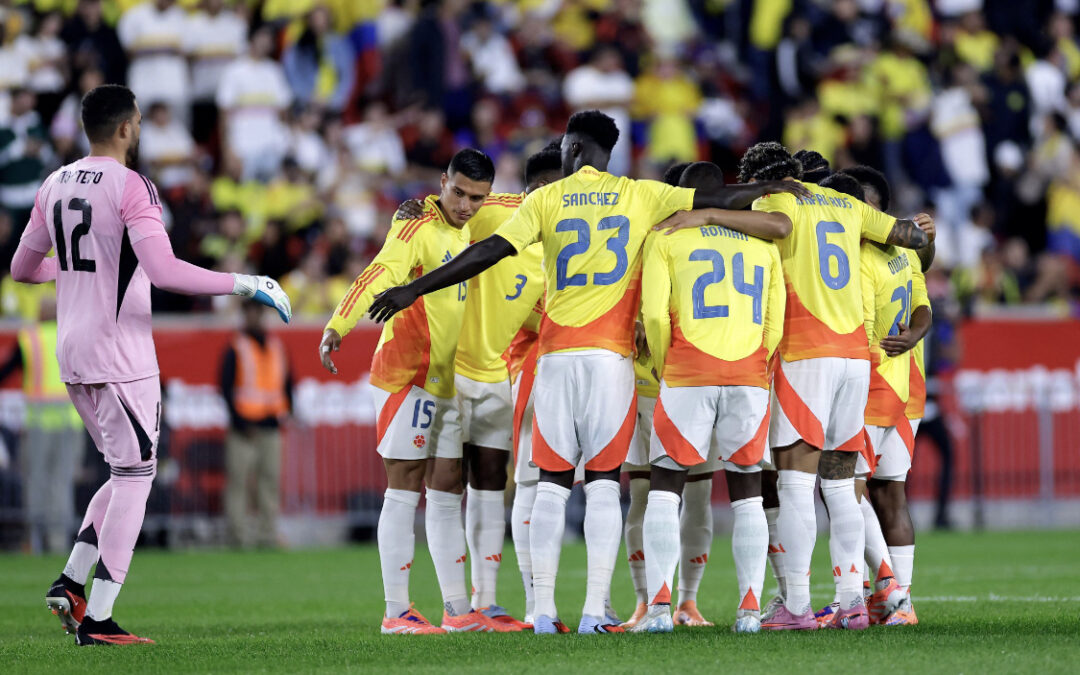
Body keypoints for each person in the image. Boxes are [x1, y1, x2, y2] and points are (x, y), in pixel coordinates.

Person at [365, 110, 810, 634]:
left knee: (551, 485)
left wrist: (415, 287)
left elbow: (488, 250)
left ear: (572, 148)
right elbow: (721, 200)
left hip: (556, 357)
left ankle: (545, 611)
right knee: (602, 484)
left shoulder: (545, 199)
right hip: (612, 362)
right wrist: (775, 184)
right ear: (608, 152)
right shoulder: (642, 193)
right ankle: (596, 611)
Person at [12, 84, 291, 646]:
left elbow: (23, 267)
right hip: (121, 355)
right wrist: (245, 283)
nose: (138, 131)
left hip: (73, 353)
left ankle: (70, 582)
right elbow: (163, 272)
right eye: (137, 123)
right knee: (137, 476)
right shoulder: (133, 184)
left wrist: (72, 275)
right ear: (125, 128)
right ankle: (100, 618)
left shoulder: (54, 182)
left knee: (123, 469)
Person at [699, 141, 929, 631]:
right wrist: (923, 229)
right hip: (853, 359)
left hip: (806, 354)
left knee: (796, 483)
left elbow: (773, 224)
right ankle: (851, 603)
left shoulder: (777, 201)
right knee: (842, 484)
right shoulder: (846, 203)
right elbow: (908, 236)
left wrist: (711, 213)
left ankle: (797, 606)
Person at [318, 149, 515, 635]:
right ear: (442, 182)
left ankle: (455, 609)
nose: (468, 206)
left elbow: (525, 204)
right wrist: (339, 323)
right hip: (404, 376)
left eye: (478, 198)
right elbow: (379, 272)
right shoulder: (414, 226)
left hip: (442, 381)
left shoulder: (469, 223)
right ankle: (396, 611)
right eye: (460, 193)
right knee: (402, 489)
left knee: (448, 488)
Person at [392, 142, 564, 629]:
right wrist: (415, 208)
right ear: (538, 188)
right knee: (444, 485)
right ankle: (452, 606)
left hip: (494, 373)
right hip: (449, 368)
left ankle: (486, 600)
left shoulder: (562, 246)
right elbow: (447, 208)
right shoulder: (500, 212)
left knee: (489, 482)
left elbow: (532, 308)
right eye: (554, 188)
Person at [632, 161, 785, 635]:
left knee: (664, 486)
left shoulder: (666, 236)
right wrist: (760, 365)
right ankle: (749, 611)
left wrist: (663, 362)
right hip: (749, 373)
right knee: (747, 494)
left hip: (686, 371)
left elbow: (654, 317)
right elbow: (775, 321)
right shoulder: (765, 247)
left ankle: (659, 609)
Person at [621, 161, 722, 631]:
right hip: (653, 381)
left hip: (681, 379)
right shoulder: (644, 236)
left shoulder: (695, 237)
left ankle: (685, 602)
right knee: (648, 494)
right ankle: (649, 600)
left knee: (688, 497)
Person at [842, 165, 935, 625]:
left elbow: (859, 330)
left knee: (847, 489)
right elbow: (923, 308)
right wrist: (916, 338)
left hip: (874, 382)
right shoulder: (905, 254)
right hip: (907, 386)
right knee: (890, 494)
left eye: (861, 208)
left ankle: (883, 594)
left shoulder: (856, 259)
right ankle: (900, 603)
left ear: (878, 211)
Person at [0, 296, 85, 554]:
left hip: (38, 424)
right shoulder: (73, 337)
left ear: (39, 313)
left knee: (35, 482)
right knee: (62, 484)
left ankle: (35, 543)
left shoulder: (29, 338)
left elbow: (5, 373)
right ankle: (59, 543)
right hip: (69, 423)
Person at [220, 302, 293, 549]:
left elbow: (288, 382)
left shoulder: (275, 346)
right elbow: (226, 388)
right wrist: (239, 422)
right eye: (249, 312)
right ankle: (237, 536)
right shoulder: (236, 346)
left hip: (271, 425)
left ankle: (267, 535)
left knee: (269, 482)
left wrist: (285, 414)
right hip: (244, 429)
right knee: (239, 482)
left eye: (257, 312)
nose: (253, 317)